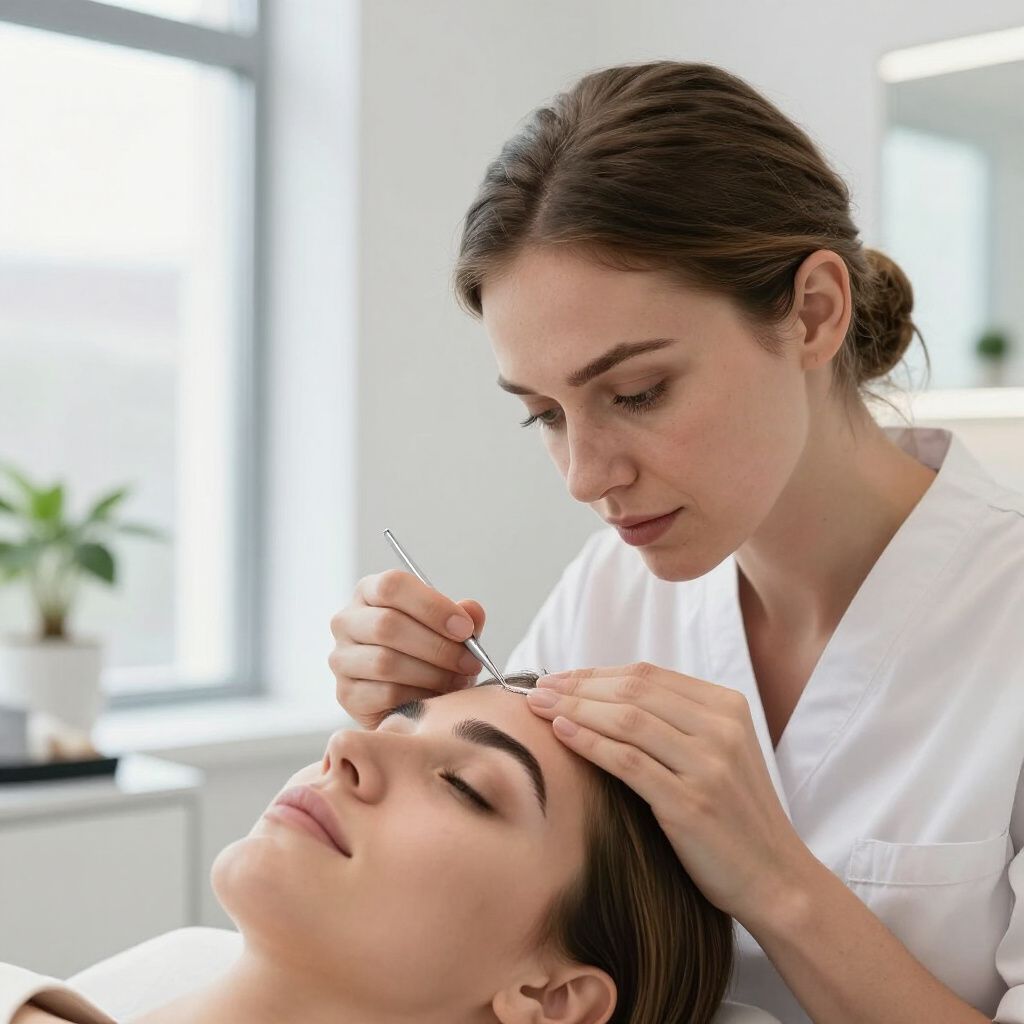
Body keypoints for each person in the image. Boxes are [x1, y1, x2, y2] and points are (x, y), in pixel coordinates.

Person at [330, 60, 1024, 1023]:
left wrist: (776, 880)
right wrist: (435, 731)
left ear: (815, 313)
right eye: (546, 415)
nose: (585, 476)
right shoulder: (614, 589)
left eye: (638, 393)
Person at [2, 675, 780, 1024]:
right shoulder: (162, 963)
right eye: (392, 726)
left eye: (464, 786)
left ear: (552, 999)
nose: (345, 747)